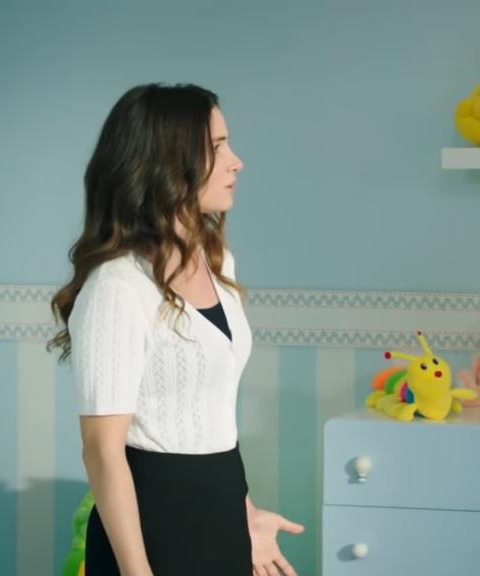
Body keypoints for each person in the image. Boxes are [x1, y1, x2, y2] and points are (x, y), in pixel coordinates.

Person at [49, 83, 304, 576]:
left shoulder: (217, 263)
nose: (236, 162)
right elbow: (103, 451)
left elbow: (207, 417)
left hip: (220, 510)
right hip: (154, 529)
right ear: (167, 163)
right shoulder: (118, 286)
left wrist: (245, 514)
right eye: (217, 147)